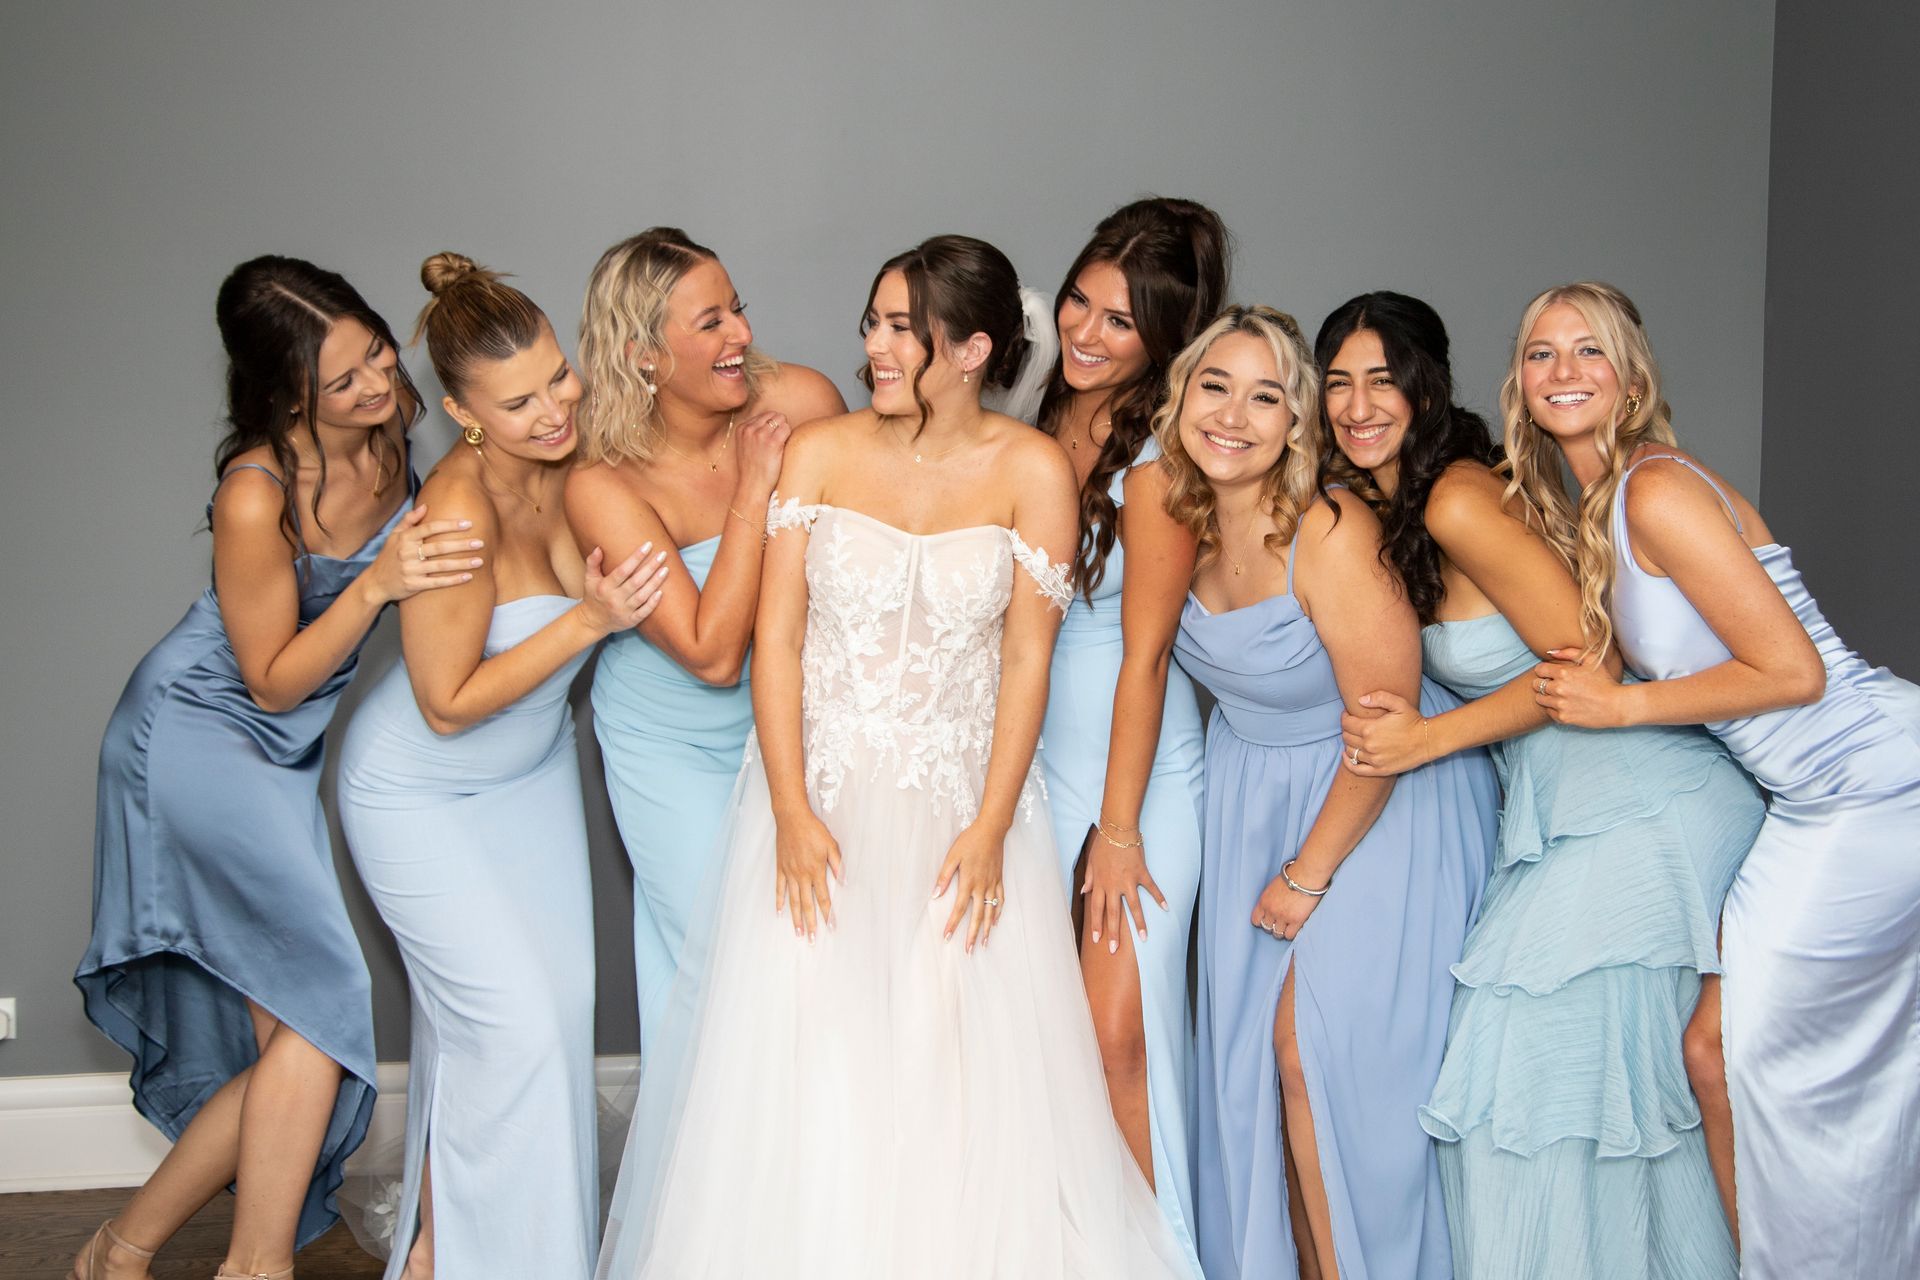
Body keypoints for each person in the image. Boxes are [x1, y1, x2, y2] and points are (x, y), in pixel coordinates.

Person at [596, 235, 1189, 1279]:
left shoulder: (1032, 471)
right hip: (816, 800)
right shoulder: (822, 453)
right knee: (811, 1063)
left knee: (953, 1071)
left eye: (900, 328)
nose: (873, 344)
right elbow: (774, 641)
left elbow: (1024, 660)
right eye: (872, 321)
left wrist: (993, 824)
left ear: (972, 349)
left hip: (965, 808)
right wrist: (788, 806)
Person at [1322, 291, 1761, 1278]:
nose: (1357, 403)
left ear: (1428, 386)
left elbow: (1586, 654)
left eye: (1382, 379)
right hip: (1572, 815)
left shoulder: (1456, 497)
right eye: (1338, 382)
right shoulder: (1407, 507)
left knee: (1549, 1101)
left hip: (1637, 809)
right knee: (1600, 1121)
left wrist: (1425, 739)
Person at [72, 256, 477, 1280]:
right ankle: (253, 1265)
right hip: (197, 736)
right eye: (343, 382)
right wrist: (378, 582)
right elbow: (274, 680)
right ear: (284, 393)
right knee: (318, 1004)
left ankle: (119, 1249)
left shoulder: (395, 440)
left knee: (299, 1024)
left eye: (378, 354)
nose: (379, 387)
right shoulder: (254, 493)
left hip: (281, 751)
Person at [1513, 281, 1920, 1280]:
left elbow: (1796, 673)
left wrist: (1619, 707)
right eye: (1541, 354)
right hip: (1811, 799)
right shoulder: (1601, 504)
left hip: (1874, 786)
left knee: (1780, 1067)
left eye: (1589, 352)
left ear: (1632, 378)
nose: (1564, 372)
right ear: (1518, 383)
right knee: (1715, 1052)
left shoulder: (1657, 487)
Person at [336, 254, 666, 1280]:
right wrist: (588, 619)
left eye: (558, 378)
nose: (554, 408)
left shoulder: (567, 470)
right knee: (512, 1022)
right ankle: (457, 1257)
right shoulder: (458, 508)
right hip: (420, 791)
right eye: (518, 401)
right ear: (461, 411)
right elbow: (443, 703)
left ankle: (464, 1247)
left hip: (526, 775)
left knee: (551, 1018)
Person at [1164, 305, 1496, 1279]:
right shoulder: (1179, 518)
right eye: (1214, 385)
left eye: (1266, 395)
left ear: (1297, 422)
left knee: (1319, 1063)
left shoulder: (1331, 525)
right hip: (1249, 797)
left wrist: (1308, 872)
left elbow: (1386, 719)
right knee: (1260, 1082)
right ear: (1180, 397)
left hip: (1375, 798)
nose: (1234, 413)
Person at [566, 227, 845, 1046]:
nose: (743, 337)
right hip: (671, 742)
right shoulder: (603, 482)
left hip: (792, 724)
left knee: (813, 956)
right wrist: (756, 488)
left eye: (738, 310)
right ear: (643, 354)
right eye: (711, 322)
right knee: (721, 961)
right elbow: (713, 654)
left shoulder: (801, 401)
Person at [1032, 195, 1227, 1271]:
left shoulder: (1155, 455)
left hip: (1134, 780)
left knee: (1119, 1037)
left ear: (1164, 340)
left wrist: (1117, 829)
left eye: (1120, 320)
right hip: (1036, 774)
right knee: (1049, 1039)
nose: (1087, 331)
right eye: (1081, 300)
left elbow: (1147, 656)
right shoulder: (1035, 422)